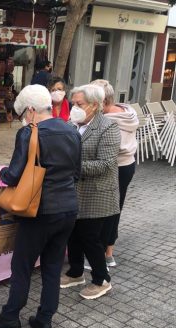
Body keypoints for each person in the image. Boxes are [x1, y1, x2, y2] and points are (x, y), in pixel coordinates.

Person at [0, 85, 81, 328]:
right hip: (68, 209)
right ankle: (44, 320)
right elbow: (77, 172)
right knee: (52, 266)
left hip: (38, 210)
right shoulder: (71, 130)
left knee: (22, 265)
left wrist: (0, 173)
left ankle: (10, 317)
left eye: (24, 115)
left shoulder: (29, 132)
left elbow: (13, 174)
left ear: (30, 110)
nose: (24, 120)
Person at [60, 84, 120, 300]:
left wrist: (69, 165)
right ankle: (76, 272)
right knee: (72, 233)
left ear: (94, 106)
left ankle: (101, 279)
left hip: (97, 193)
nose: (74, 107)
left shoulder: (108, 128)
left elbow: (105, 164)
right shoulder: (72, 124)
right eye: (73, 103)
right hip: (73, 190)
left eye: (79, 104)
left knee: (90, 237)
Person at [91, 79, 138, 267]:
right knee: (116, 208)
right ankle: (109, 251)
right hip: (128, 165)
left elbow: (103, 150)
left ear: (102, 101)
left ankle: (102, 253)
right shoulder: (127, 112)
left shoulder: (108, 122)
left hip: (114, 167)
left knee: (105, 210)